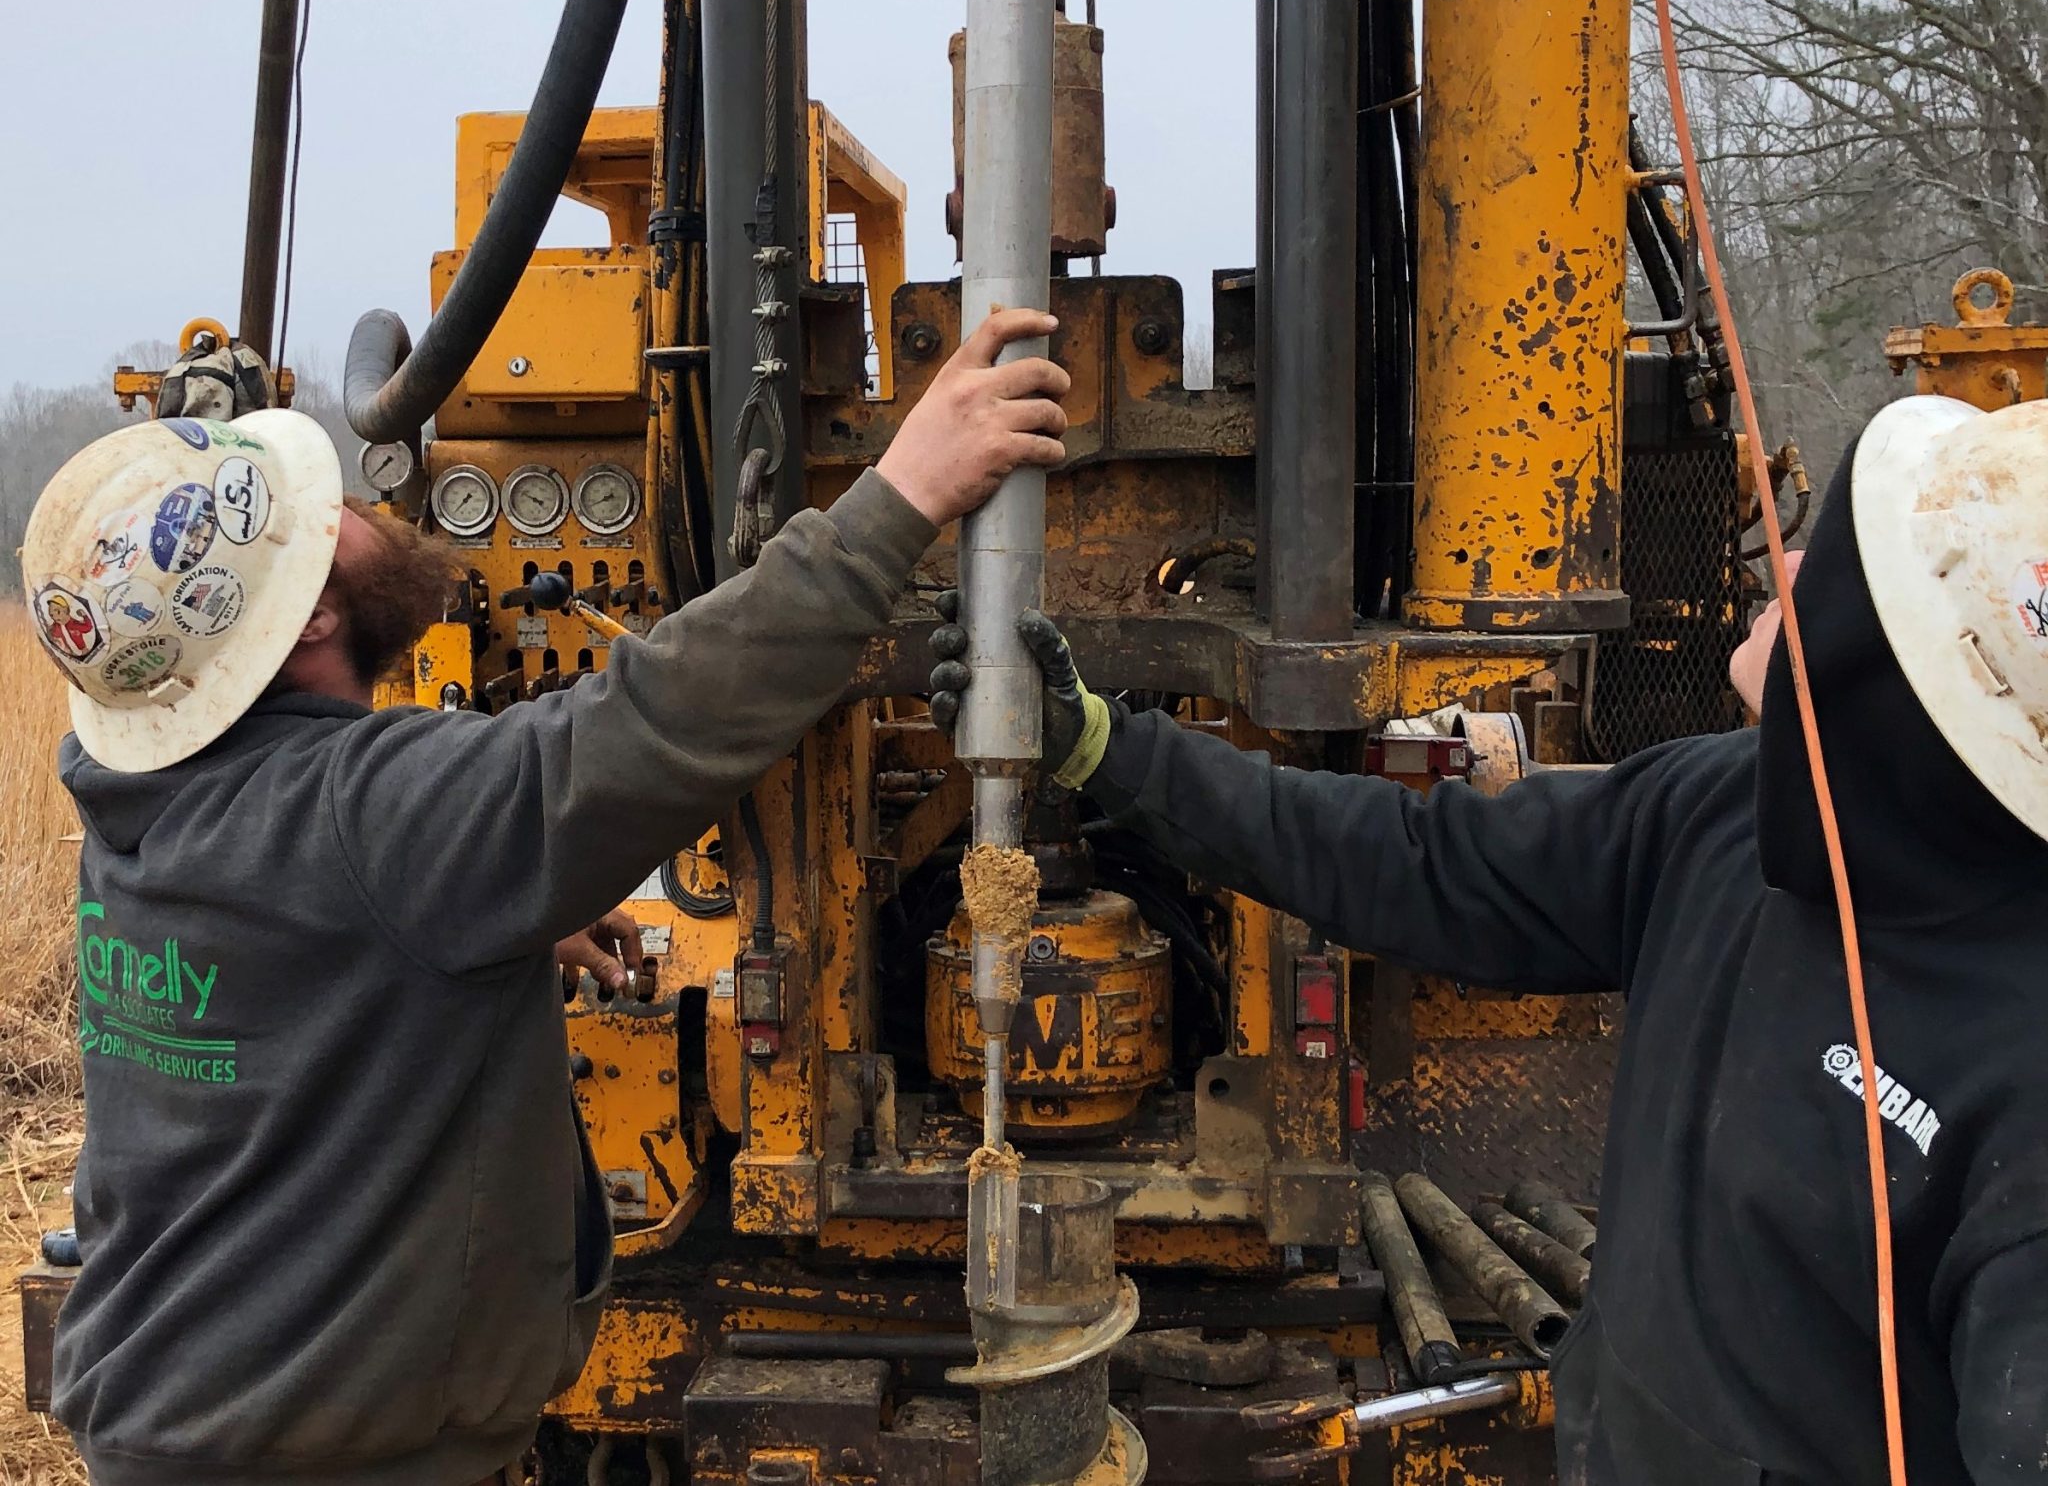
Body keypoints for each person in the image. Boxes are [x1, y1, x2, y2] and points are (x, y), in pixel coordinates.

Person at [27, 307, 1068, 1486]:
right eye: (327, 523)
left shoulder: (144, 797)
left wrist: (479, 903)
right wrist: (903, 492)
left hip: (173, 1420)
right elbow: (654, 722)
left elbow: (318, 934)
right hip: (321, 1459)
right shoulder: (374, 819)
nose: (361, 515)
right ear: (310, 613)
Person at [932, 394, 2048, 1485]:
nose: (1787, 570)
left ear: (1900, 676)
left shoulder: (2021, 1088)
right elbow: (1413, 862)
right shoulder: (1720, 812)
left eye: (1846, 567)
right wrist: (1105, 751)